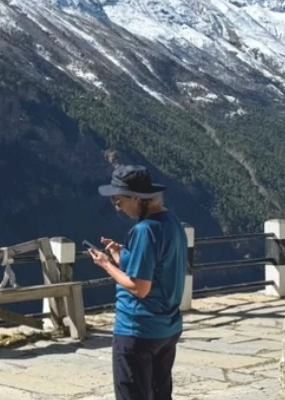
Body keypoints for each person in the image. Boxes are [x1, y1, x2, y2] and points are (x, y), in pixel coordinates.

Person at [89, 165, 187, 400]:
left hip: (137, 330)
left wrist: (106, 264)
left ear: (136, 198)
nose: (117, 207)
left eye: (119, 201)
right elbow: (156, 269)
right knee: (159, 394)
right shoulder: (172, 223)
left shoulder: (144, 230)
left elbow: (139, 288)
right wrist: (122, 256)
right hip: (167, 328)